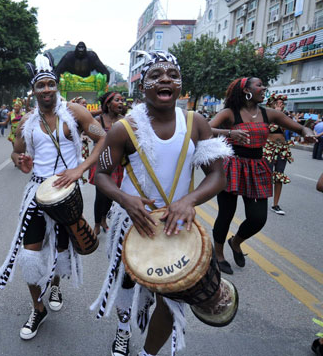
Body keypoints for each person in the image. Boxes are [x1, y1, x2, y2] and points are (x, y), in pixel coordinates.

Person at [91, 50, 230, 356]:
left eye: (173, 75)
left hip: (178, 224)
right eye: (156, 75)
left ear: (180, 85)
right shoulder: (123, 128)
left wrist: (189, 201)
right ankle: (124, 330)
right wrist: (125, 199)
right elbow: (100, 175)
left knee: (174, 298)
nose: (166, 79)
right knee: (126, 285)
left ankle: (147, 354)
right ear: (143, 87)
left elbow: (217, 176)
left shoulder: (196, 123)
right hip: (133, 224)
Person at [0, 53, 107, 340]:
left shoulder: (74, 112)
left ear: (56, 86)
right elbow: (17, 151)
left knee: (60, 248)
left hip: (67, 191)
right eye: (40, 85)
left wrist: (80, 168)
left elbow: (103, 137)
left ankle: (55, 283)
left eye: (50, 84)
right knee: (30, 253)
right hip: (36, 191)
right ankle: (38, 307)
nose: (46, 90)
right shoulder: (27, 122)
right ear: (33, 90)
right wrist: (20, 161)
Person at [209, 77, 316, 274]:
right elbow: (206, 129)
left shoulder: (270, 113)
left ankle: (236, 242)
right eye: (259, 85)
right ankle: (218, 254)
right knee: (226, 214)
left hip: (257, 168)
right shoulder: (229, 113)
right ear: (246, 91)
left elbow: (299, 127)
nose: (263, 88)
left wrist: (307, 131)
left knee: (258, 219)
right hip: (232, 166)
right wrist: (229, 133)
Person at [88, 92, 125, 236]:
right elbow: (91, 133)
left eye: (122, 100)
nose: (121, 103)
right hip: (101, 162)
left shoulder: (124, 121)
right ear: (108, 104)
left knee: (110, 195)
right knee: (101, 195)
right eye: (117, 100)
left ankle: (104, 220)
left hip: (117, 164)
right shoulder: (98, 120)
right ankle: (97, 224)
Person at [263, 94, 294, 215]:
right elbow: (268, 129)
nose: (281, 104)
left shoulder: (285, 116)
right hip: (269, 148)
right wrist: (275, 114)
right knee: (267, 175)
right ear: (272, 104)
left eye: (282, 103)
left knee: (279, 176)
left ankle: (275, 204)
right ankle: (262, 201)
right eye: (278, 102)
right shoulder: (266, 115)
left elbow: (289, 129)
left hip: (282, 148)